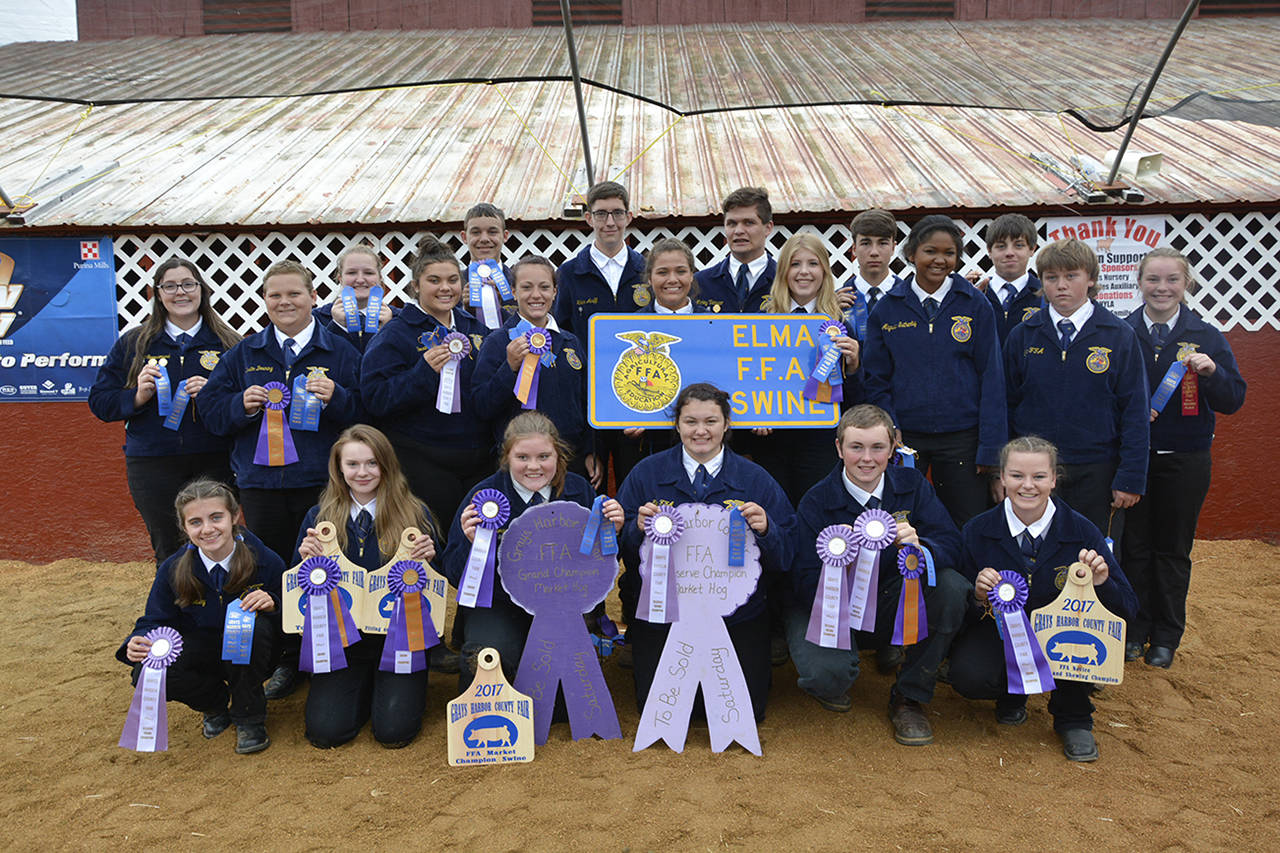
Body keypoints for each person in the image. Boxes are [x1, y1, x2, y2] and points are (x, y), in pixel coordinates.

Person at [198, 259, 362, 699]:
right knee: (279, 573)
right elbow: (210, 415)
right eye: (275, 295)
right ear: (264, 301)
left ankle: (335, 653)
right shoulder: (243, 355)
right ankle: (289, 659)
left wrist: (340, 399)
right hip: (262, 486)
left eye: (294, 294)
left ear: (313, 298)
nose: (285, 302)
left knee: (327, 569)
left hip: (322, 486)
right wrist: (241, 405)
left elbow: (371, 414)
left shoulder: (341, 352)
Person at [786, 404, 968, 746]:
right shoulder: (816, 500)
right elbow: (800, 579)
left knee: (951, 587)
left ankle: (909, 696)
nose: (867, 459)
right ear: (839, 448)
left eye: (878, 448)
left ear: (893, 449)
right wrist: (839, 569)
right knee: (827, 678)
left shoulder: (912, 485)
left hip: (891, 598)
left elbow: (951, 544)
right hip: (827, 609)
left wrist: (922, 546)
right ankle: (839, 665)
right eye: (856, 447)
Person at [949, 436, 1137, 762]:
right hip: (1001, 634)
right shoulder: (977, 531)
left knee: (1079, 634)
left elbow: (1128, 608)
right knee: (969, 675)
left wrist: (1103, 583)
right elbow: (958, 611)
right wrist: (978, 597)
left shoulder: (1083, 531)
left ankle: (1074, 716)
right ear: (1002, 478)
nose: (1028, 486)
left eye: (1038, 477)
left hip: (1063, 634)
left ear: (1053, 479)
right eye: (1017, 475)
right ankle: (1011, 694)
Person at [616, 383, 796, 721]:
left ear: (727, 424)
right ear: (677, 425)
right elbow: (617, 550)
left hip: (736, 615)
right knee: (663, 711)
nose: (701, 431)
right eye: (690, 422)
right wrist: (634, 529)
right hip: (664, 613)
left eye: (711, 421)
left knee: (742, 713)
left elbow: (787, 552)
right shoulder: (647, 474)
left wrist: (767, 529)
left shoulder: (755, 479)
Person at [1121, 248, 1246, 668]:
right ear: (1139, 283)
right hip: (1134, 460)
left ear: (1186, 284)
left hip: (1186, 459)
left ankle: (1166, 636)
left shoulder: (1207, 336)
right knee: (1133, 547)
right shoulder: (1121, 333)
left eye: (1172, 279)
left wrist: (1213, 374)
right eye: (1153, 279)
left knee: (1172, 549)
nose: (1162, 288)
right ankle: (1134, 630)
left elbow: (1234, 400)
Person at [442, 412, 622, 688]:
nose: (533, 467)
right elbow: (454, 572)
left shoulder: (580, 490)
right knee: (489, 659)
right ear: (506, 457)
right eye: (522, 457)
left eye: (544, 457)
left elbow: (599, 570)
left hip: (562, 606)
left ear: (558, 455)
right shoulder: (483, 497)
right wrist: (470, 544)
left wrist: (611, 533)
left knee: (564, 705)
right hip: (499, 605)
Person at [293, 425, 439, 748]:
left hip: (401, 641)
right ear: (339, 468)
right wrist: (304, 560)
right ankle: (361, 688)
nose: (363, 472)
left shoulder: (415, 514)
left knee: (394, 732)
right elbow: (297, 590)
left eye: (372, 463)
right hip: (341, 644)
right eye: (353, 464)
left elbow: (439, 587)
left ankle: (395, 687)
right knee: (326, 732)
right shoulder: (319, 518)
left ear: (386, 465)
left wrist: (431, 558)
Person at [89, 258, 241, 563]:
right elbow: (100, 402)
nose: (180, 292)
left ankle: (221, 606)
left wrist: (215, 396)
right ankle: (174, 609)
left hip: (215, 459)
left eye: (188, 284)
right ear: (158, 294)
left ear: (202, 290)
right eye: (169, 286)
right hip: (152, 463)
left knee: (219, 543)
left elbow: (245, 404)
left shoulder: (229, 343)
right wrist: (137, 396)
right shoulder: (134, 343)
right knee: (168, 546)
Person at [116, 479, 283, 754]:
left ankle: (249, 717)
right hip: (202, 654)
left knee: (250, 629)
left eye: (216, 517)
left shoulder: (266, 560)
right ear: (184, 527)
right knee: (147, 670)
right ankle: (215, 704)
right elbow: (156, 620)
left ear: (235, 516)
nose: (207, 529)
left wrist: (274, 603)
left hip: (255, 654)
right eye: (195, 522)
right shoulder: (173, 569)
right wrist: (138, 640)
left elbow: (294, 614)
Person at [863, 215, 1006, 529]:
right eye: (931, 251)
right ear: (912, 254)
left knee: (967, 525)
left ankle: (965, 581)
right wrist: (889, 425)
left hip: (963, 441)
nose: (940, 260)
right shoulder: (888, 308)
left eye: (949, 253)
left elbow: (992, 378)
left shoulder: (975, 304)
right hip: (906, 439)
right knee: (903, 523)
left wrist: (991, 451)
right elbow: (876, 378)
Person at [1004, 238, 1149, 548]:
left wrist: (1130, 477)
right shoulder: (1023, 335)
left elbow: (1135, 410)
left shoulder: (1119, 335)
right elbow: (1006, 404)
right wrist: (1002, 469)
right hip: (1035, 473)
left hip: (1097, 470)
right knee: (1036, 553)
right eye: (1052, 278)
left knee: (1092, 558)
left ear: (1091, 279)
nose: (1061, 286)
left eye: (1071, 276)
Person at [360, 235, 492, 529]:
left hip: (478, 459)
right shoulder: (395, 334)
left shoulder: (477, 330)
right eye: (434, 280)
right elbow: (375, 399)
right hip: (422, 460)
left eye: (452, 280)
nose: (445, 288)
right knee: (435, 544)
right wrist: (422, 374)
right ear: (416, 285)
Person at [752, 233, 860, 506]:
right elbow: (746, 377)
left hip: (822, 442)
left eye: (812, 264)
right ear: (783, 271)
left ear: (824, 270)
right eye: (794, 264)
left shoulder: (843, 321)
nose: (803, 272)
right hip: (772, 441)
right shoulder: (759, 319)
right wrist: (754, 415)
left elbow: (857, 400)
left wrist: (855, 366)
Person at [471, 256, 596, 482]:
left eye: (544, 287)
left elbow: (587, 402)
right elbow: (482, 406)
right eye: (526, 287)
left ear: (555, 291)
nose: (536, 295)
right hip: (520, 465)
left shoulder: (571, 342)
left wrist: (590, 450)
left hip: (570, 460)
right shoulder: (497, 343)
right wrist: (509, 368)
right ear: (513, 291)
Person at [692, 186, 776, 313]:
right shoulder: (699, 283)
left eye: (748, 223)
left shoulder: (786, 281)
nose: (738, 231)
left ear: (768, 228)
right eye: (732, 223)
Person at [314, 243, 397, 353]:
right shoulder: (317, 319)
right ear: (340, 278)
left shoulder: (398, 319)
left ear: (379, 277)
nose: (360, 279)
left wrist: (387, 330)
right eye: (352, 273)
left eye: (368, 273)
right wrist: (337, 327)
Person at [975, 213, 1043, 346]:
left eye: (1018, 245)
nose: (1009, 253)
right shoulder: (976, 294)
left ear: (1032, 249)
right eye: (1001, 246)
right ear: (989, 251)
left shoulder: (1045, 295)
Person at [835, 208, 901, 329]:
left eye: (882, 243)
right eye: (866, 243)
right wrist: (832, 315)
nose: (874, 252)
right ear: (854, 248)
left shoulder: (911, 297)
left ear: (893, 248)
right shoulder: (835, 302)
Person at [461, 203, 517, 330]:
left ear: (505, 236)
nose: (484, 239)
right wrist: (466, 309)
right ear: (464, 237)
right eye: (476, 232)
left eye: (492, 232)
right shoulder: (453, 285)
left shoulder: (519, 282)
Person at [638, 238, 705, 314]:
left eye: (681, 271)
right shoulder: (633, 324)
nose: (672, 280)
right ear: (650, 278)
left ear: (691, 275)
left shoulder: (714, 322)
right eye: (662, 272)